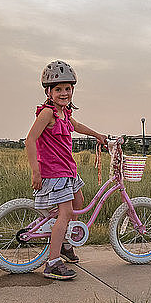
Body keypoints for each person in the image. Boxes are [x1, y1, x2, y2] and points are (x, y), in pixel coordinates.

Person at [25, 60, 106, 280]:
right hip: (54, 172)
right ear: (48, 92)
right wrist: (35, 171)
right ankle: (52, 263)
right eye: (58, 89)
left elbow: (77, 127)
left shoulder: (65, 114)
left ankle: (65, 243)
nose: (64, 93)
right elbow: (30, 140)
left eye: (67, 89)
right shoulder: (47, 113)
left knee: (78, 204)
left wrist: (97, 135)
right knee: (66, 213)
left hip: (68, 170)